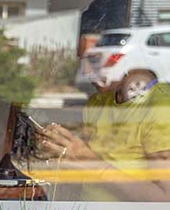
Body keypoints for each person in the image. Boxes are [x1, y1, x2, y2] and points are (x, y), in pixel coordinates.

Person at [36, 70, 170, 201]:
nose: (87, 71)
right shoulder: (98, 102)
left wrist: (93, 164)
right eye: (83, 60)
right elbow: (84, 172)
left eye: (95, 58)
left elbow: (165, 201)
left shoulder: (162, 109)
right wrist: (59, 151)